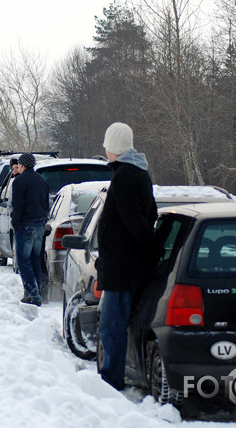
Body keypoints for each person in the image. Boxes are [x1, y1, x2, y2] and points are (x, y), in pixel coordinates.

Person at [95, 122, 158, 391]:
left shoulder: (124, 177)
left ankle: (111, 380)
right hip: (127, 265)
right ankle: (115, 375)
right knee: (116, 326)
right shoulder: (139, 173)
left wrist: (141, 249)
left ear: (115, 147)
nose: (105, 150)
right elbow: (151, 214)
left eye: (107, 145)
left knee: (111, 327)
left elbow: (135, 222)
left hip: (122, 268)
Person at [11, 153, 50, 306]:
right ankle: (36, 291)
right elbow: (46, 204)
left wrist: (16, 223)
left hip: (25, 225)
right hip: (40, 224)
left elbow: (17, 205)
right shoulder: (42, 180)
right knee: (35, 259)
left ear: (22, 165)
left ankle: (33, 295)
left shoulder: (19, 181)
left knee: (23, 261)